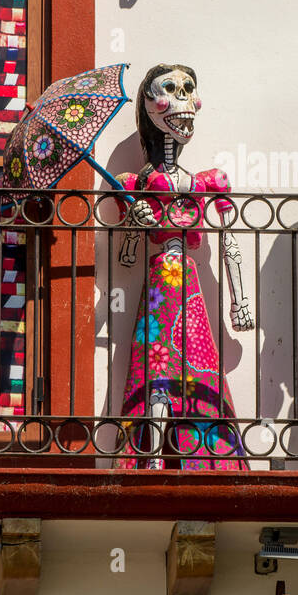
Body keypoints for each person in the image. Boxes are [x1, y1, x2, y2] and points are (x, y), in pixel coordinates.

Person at [113, 64, 253, 468]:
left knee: (195, 363)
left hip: (185, 280)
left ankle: (200, 451)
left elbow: (230, 240)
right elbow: (126, 254)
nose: (184, 101)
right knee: (160, 364)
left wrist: (238, 301)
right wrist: (135, 224)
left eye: (189, 90)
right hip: (162, 276)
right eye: (170, 90)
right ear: (149, 105)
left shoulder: (209, 180)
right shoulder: (134, 182)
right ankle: (152, 457)